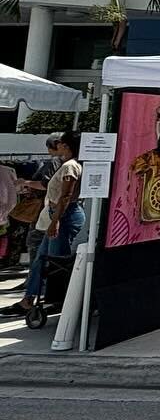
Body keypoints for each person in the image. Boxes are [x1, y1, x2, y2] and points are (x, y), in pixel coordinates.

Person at [4, 130, 83, 318]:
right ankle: (30, 298)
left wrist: (55, 221)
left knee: (55, 261)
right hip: (57, 214)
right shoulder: (68, 165)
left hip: (62, 215)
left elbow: (66, 196)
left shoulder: (70, 166)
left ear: (66, 145)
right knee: (42, 258)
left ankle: (52, 300)